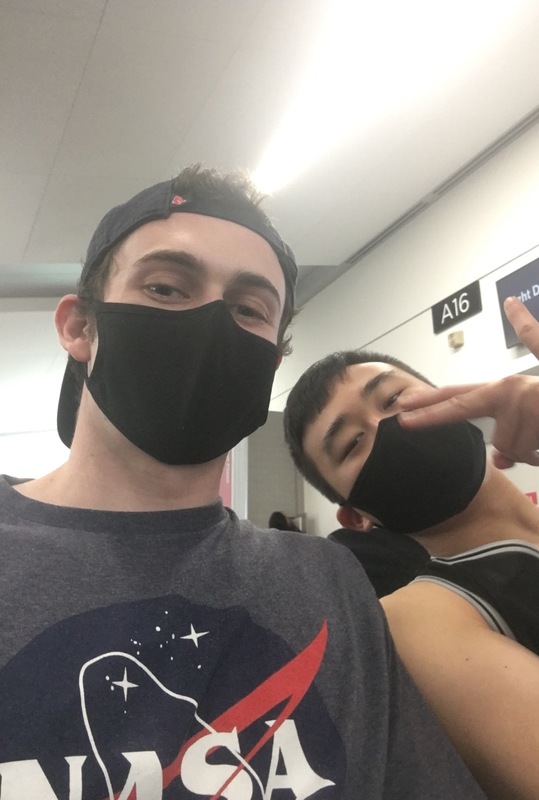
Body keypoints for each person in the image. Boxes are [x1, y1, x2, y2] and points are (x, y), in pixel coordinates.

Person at [0, 165, 484, 799]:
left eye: (250, 309)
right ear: (80, 326)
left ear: (273, 364)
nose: (210, 326)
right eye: (167, 288)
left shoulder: (329, 584)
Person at [284, 261, 539, 799]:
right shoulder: (418, 620)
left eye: (394, 399)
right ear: (358, 519)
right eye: (352, 444)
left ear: (451, 396)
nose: (387, 427)